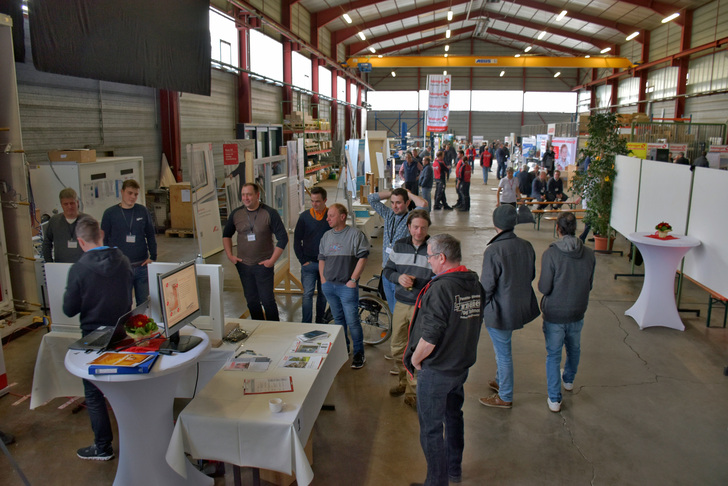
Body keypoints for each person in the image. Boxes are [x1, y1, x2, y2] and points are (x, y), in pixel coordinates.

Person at [404, 234, 485, 486]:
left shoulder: (441, 288)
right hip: (459, 367)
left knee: (430, 429)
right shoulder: (473, 283)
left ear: (441, 257)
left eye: (429, 256)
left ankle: (436, 482)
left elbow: (430, 337)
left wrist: (416, 360)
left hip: (437, 370)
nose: (428, 262)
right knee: (453, 417)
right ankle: (453, 471)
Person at [63, 215, 133, 461]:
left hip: (93, 338)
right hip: (122, 335)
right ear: (101, 234)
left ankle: (103, 447)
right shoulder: (123, 260)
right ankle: (134, 436)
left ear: (81, 242)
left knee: (93, 393)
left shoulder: (79, 269)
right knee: (124, 386)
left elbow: (69, 309)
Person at [479, 205, 540, 409]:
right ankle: (499, 380)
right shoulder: (527, 245)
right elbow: (530, 275)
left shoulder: (494, 250)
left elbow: (487, 286)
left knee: (503, 353)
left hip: (500, 311)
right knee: (502, 347)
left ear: (495, 223)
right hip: (519, 306)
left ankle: (504, 395)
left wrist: (480, 309)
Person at [539, 212, 596, 412]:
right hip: (578, 310)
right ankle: (569, 379)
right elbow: (589, 285)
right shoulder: (589, 254)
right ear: (576, 229)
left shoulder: (551, 254)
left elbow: (544, 288)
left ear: (558, 229)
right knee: (574, 348)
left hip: (555, 312)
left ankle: (555, 399)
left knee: (553, 355)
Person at [382, 210, 434, 409]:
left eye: (423, 227)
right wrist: (399, 278)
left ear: (428, 228)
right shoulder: (400, 245)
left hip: (421, 306)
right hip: (402, 303)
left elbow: (440, 276)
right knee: (397, 346)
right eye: (415, 227)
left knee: (416, 349)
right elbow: (388, 270)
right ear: (409, 227)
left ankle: (413, 390)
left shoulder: (433, 248)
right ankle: (403, 381)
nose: (419, 231)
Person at [223, 182, 288, 321]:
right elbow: (226, 235)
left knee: (267, 301)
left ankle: (274, 329)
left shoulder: (270, 213)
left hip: (263, 265)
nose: (246, 198)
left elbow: (283, 238)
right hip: (244, 266)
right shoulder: (236, 214)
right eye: (243, 195)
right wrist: (230, 256)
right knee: (251, 301)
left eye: (249, 194)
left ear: (257, 195)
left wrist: (272, 261)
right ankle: (259, 327)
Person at [319, 203, 369, 368]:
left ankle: (359, 353)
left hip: (346, 287)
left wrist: (353, 280)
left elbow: (362, 258)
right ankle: (343, 349)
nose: (327, 219)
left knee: (352, 321)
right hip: (329, 286)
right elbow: (322, 259)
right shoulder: (326, 236)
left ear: (342, 216)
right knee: (338, 319)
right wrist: (323, 280)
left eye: (331, 215)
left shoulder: (355, 235)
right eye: (328, 216)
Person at [368, 188, 427, 313]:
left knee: (401, 310)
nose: (395, 206)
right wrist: (392, 193)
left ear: (407, 203)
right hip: (387, 271)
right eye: (393, 202)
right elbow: (371, 198)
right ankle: (396, 330)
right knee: (393, 310)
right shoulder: (389, 214)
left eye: (399, 202)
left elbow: (422, 204)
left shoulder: (411, 219)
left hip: (401, 273)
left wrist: (408, 193)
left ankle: (401, 332)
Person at [100, 179, 156, 305]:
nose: (133, 197)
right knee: (123, 303)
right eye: (130, 193)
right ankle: (124, 325)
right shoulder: (110, 213)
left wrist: (153, 256)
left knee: (144, 303)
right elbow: (103, 239)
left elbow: (151, 234)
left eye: (135, 194)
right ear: (122, 192)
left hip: (141, 266)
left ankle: (142, 324)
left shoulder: (142, 211)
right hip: (121, 268)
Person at [293, 187, 329, 323]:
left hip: (326, 265)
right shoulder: (304, 217)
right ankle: (306, 323)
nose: (314, 204)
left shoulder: (330, 216)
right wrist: (302, 260)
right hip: (308, 264)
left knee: (323, 295)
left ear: (325, 200)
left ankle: (320, 321)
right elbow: (296, 240)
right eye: (312, 201)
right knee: (307, 294)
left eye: (318, 201)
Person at [42, 187, 85, 263]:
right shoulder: (54, 221)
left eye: (72, 203)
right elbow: (47, 243)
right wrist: (50, 263)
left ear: (77, 202)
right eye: (66, 204)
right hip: (61, 267)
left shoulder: (87, 221)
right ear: (61, 205)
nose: (69, 207)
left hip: (83, 267)